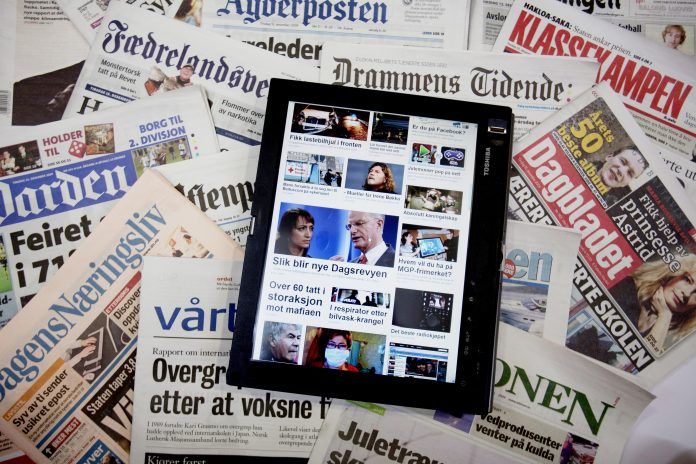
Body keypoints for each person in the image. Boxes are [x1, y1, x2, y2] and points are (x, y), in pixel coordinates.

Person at [617, 254, 696, 352]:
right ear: (672, 274)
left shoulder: (662, 326)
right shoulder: (626, 288)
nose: (687, 293)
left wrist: (665, 316)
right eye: (687, 280)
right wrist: (665, 316)